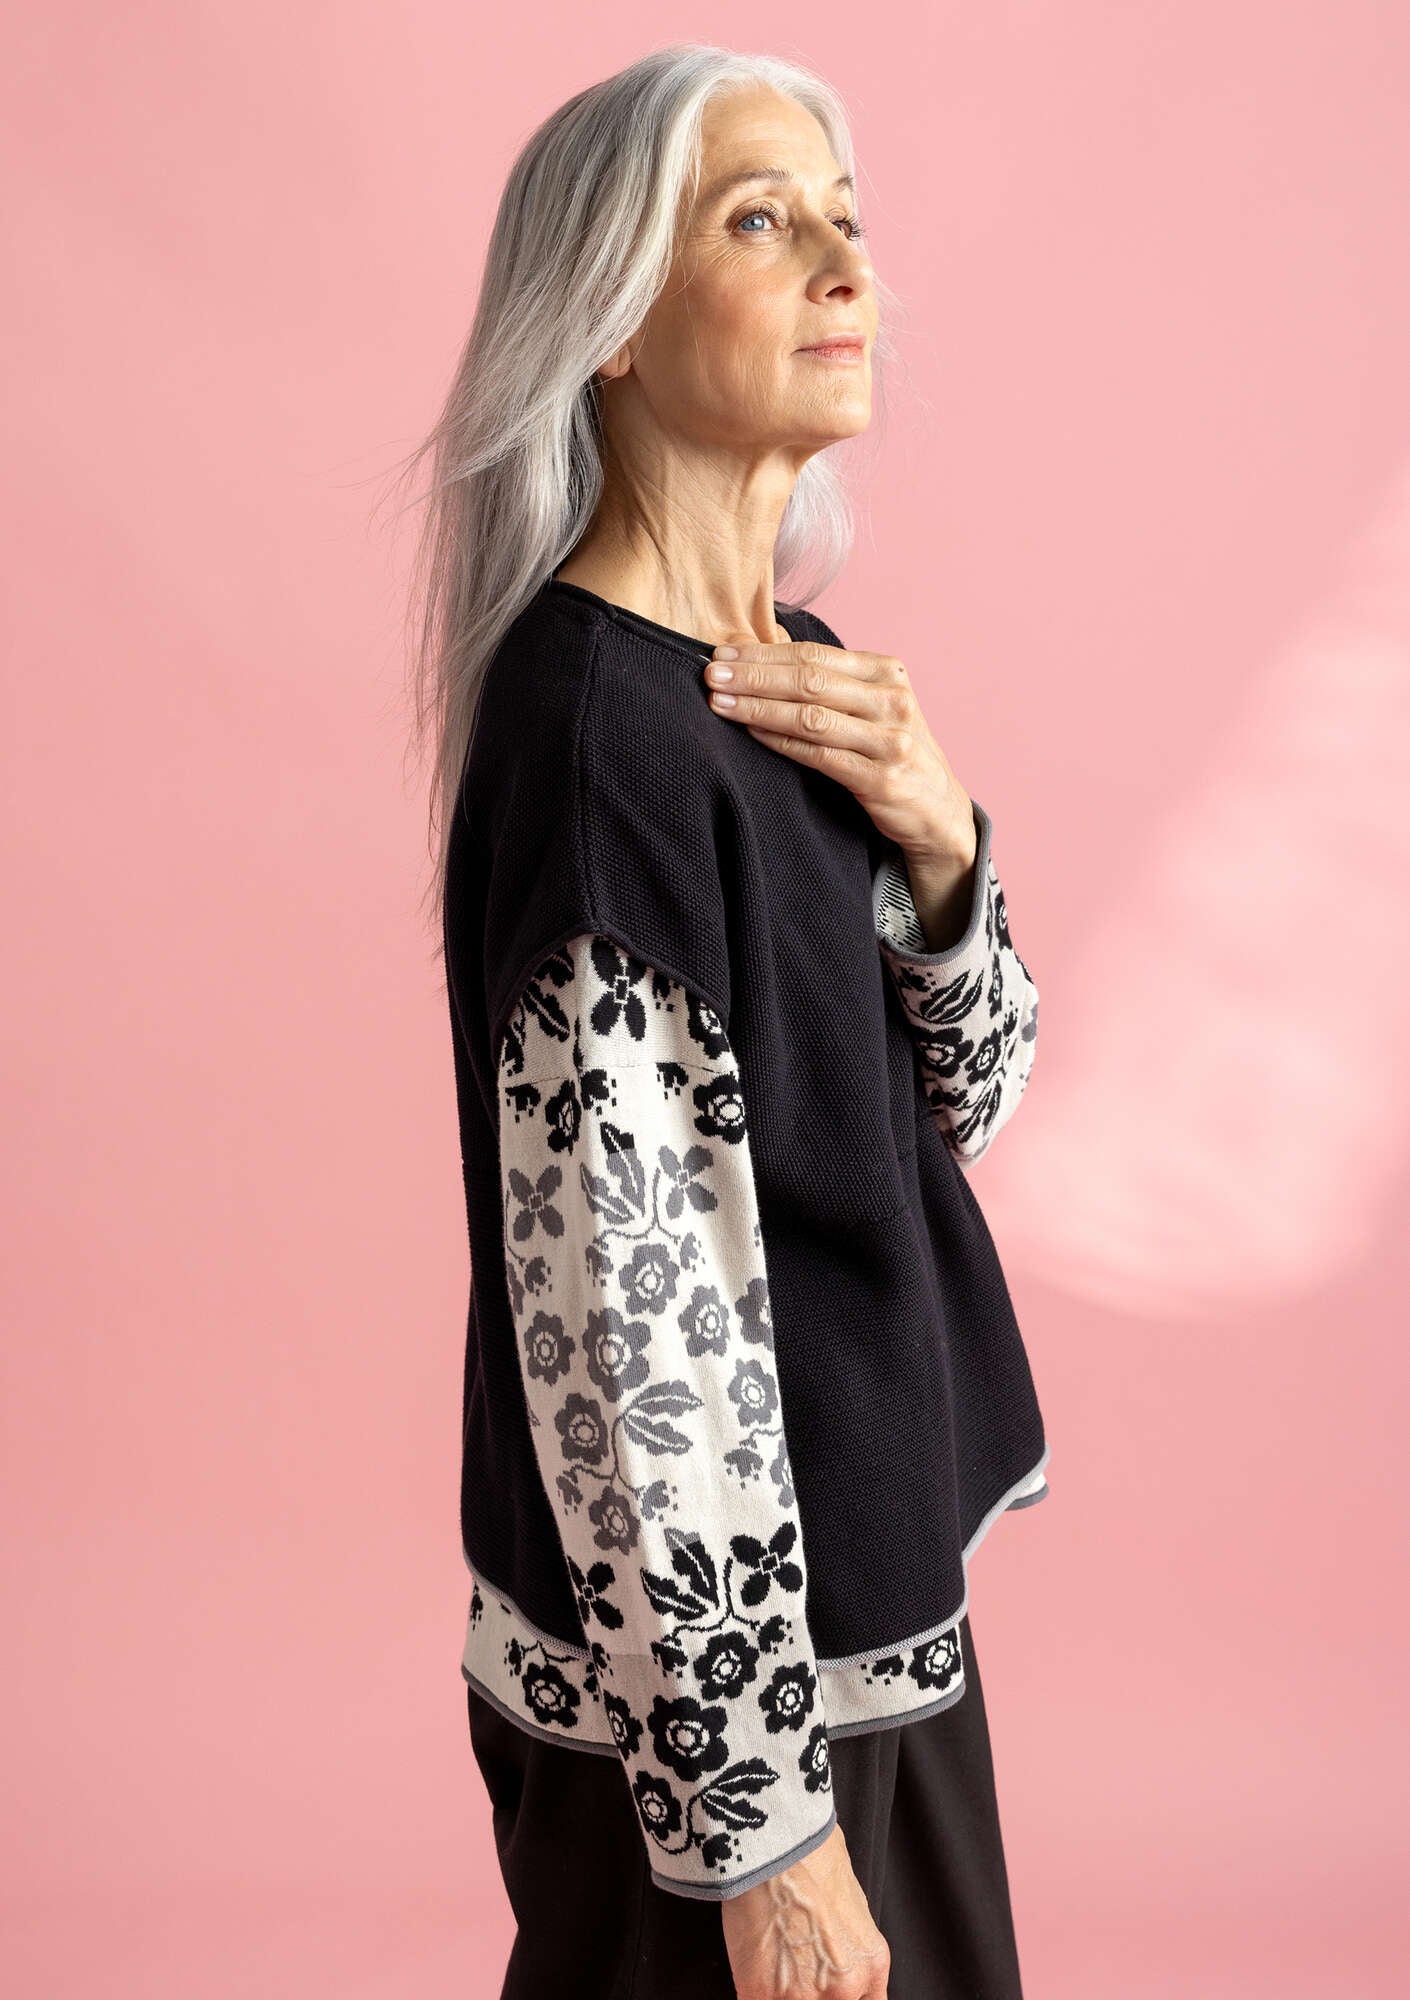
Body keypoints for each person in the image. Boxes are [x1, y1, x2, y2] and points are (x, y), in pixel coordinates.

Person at [395, 42, 1051, 2000]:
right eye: (763, 221)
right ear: (608, 319)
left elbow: (964, 1110)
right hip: (725, 1719)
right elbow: (631, 1336)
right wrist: (760, 1839)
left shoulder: (796, 681)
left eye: (847, 217)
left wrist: (944, 849)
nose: (847, 265)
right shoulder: (604, 747)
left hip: (856, 1638)